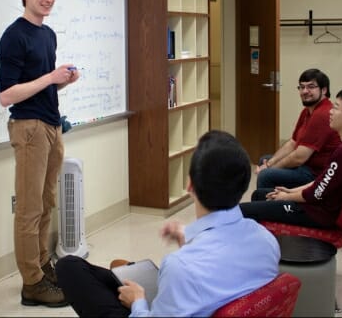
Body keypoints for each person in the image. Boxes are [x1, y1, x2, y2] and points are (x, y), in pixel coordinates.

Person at [54, 130, 280, 317]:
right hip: (197, 301)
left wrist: (138, 303)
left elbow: (196, 268)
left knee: (69, 267)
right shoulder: (266, 239)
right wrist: (186, 235)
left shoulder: (181, 266)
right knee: (119, 273)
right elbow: (220, 260)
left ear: (190, 185)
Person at [0, 0, 80, 307]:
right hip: (28, 128)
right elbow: (6, 95)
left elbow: (42, 81)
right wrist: (49, 78)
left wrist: (63, 80)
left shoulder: (47, 35)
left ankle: (43, 265)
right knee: (29, 211)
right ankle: (31, 283)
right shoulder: (14, 36)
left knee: (47, 203)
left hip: (50, 125)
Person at [240, 87, 342, 229]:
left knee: (243, 210)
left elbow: (316, 193)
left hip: (317, 214)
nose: (330, 111)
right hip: (321, 206)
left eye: (336, 108)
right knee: (259, 195)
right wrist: (291, 191)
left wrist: (286, 197)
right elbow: (321, 182)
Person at [256, 68, 341, 189]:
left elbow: (299, 158)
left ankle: (272, 205)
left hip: (316, 175)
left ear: (324, 90)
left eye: (311, 87)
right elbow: (292, 142)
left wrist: (269, 169)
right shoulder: (308, 111)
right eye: (301, 87)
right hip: (306, 165)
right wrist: (269, 163)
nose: (305, 91)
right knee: (265, 159)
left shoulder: (322, 114)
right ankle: (275, 199)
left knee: (266, 175)